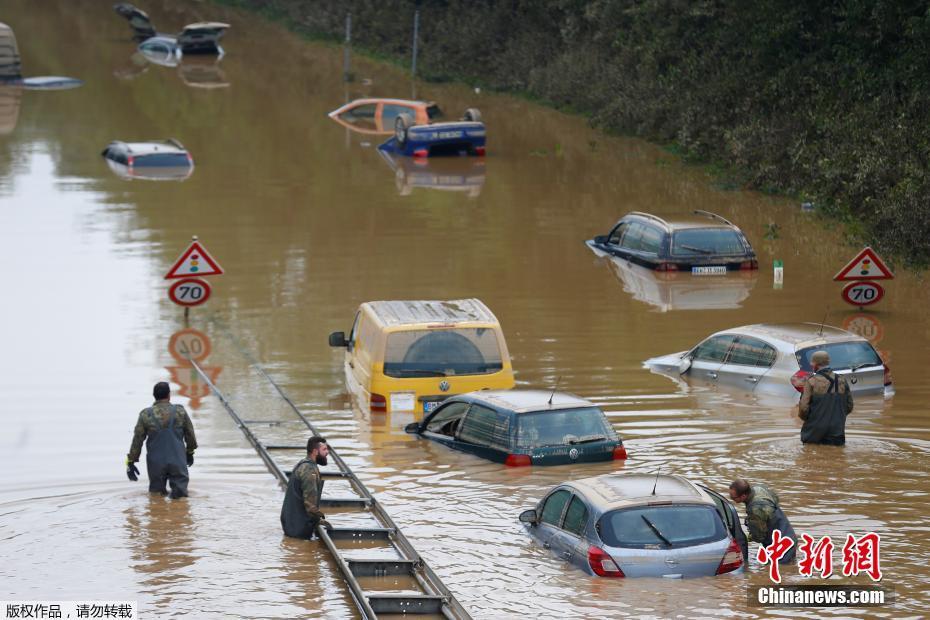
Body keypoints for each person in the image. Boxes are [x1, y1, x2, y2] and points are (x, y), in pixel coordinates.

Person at [126, 382, 197, 499]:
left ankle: (157, 514)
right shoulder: (180, 412)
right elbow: (190, 435)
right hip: (177, 461)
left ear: (154, 395)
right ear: (169, 395)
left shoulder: (145, 414)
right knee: (181, 499)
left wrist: (131, 462)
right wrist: (190, 452)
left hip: (156, 464)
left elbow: (137, 441)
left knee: (156, 498)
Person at [728, 479, 797, 563]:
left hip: (781, 548)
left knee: (774, 571)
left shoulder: (755, 510)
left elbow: (759, 537)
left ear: (743, 496)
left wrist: (744, 538)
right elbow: (776, 499)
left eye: (733, 497)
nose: (731, 499)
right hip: (789, 535)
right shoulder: (759, 488)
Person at [281, 436, 333, 539]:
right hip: (298, 527)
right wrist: (320, 519)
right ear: (315, 452)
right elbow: (310, 504)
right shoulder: (309, 470)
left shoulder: (304, 464)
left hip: (292, 523)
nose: (327, 452)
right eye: (324, 449)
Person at [798, 350, 854, 445]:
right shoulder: (842, 380)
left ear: (816, 365)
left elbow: (803, 408)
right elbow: (849, 406)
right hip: (837, 433)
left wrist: (812, 419)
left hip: (813, 433)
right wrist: (836, 417)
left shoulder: (811, 382)